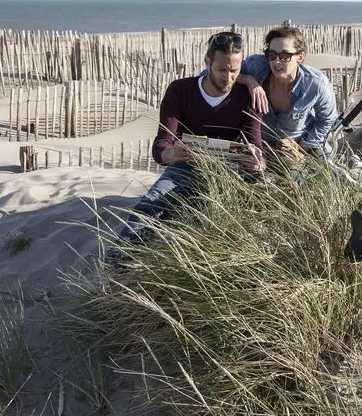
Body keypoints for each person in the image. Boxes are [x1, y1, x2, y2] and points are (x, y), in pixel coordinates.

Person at [112, 31, 265, 256]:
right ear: (207, 62)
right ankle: (117, 266)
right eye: (221, 70)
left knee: (253, 209)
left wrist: (255, 161)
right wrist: (172, 153)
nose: (228, 78)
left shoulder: (248, 96)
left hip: (231, 171)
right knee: (149, 206)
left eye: (235, 71)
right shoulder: (180, 90)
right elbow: (161, 146)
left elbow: (256, 147)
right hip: (186, 166)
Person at [237, 25, 339, 161]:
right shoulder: (256, 66)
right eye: (272, 55)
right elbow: (218, 72)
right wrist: (247, 79)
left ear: (300, 57)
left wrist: (301, 145)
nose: (276, 61)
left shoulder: (316, 84)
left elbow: (327, 120)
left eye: (285, 55)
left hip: (303, 145)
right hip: (262, 147)